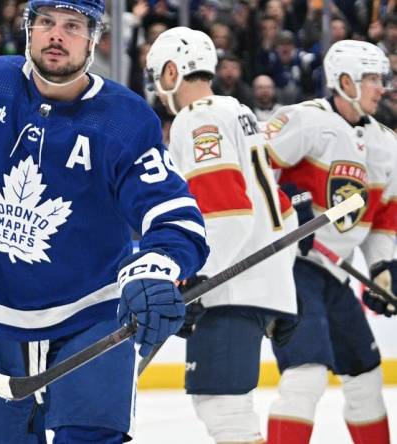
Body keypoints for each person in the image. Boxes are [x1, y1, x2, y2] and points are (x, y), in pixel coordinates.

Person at [0, 1, 209, 442]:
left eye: (72, 26)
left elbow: (171, 211)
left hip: (91, 317)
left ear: (93, 39)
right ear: (28, 28)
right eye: (46, 22)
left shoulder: (124, 119)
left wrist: (157, 266)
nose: (57, 35)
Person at [145, 27, 300, 444]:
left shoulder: (197, 118)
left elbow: (227, 212)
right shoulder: (239, 112)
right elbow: (281, 213)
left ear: (174, 72)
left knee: (222, 403)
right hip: (257, 281)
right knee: (227, 405)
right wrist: (282, 289)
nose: (159, 91)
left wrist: (195, 280)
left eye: (158, 77)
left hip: (228, 285)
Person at [263, 40, 396, 444]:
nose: (381, 87)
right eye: (371, 78)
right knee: (307, 375)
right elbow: (254, 166)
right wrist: (289, 202)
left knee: (366, 378)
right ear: (344, 81)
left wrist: (382, 268)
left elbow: (385, 217)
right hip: (292, 266)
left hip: (334, 272)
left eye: (381, 78)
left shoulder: (387, 143)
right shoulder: (303, 120)